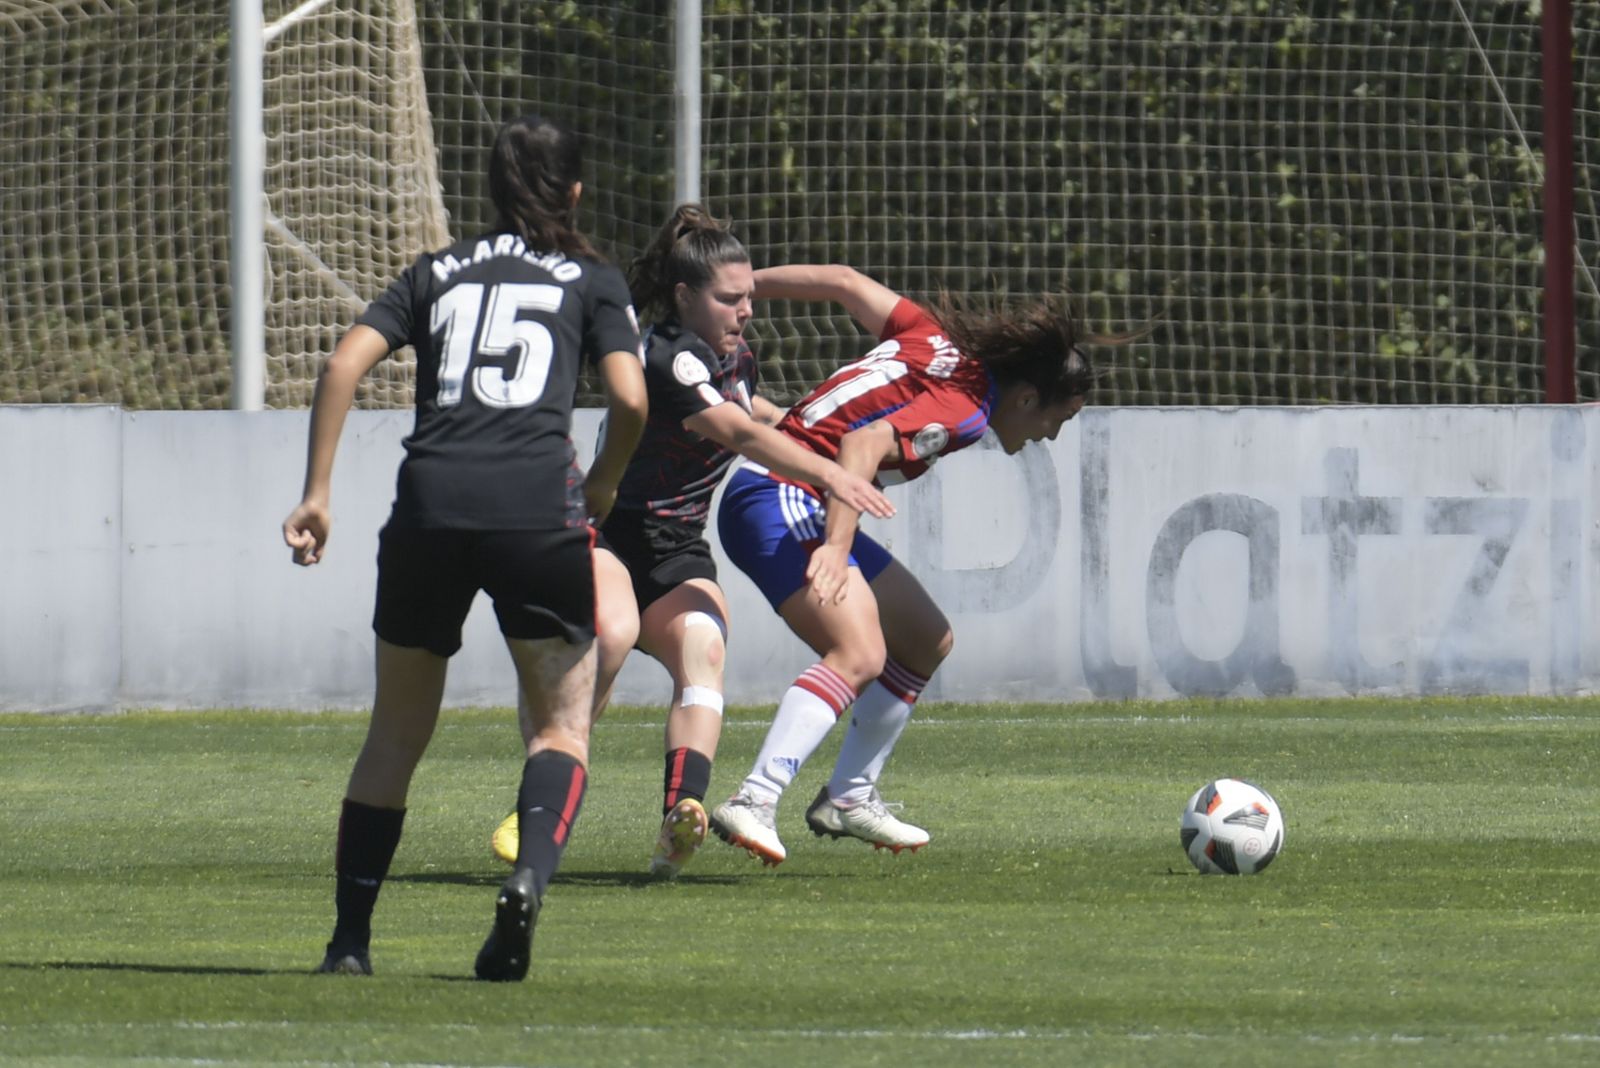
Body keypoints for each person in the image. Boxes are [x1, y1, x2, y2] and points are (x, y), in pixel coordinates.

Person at [281, 113, 649, 982]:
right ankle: (525, 880)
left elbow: (341, 367)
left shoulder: (434, 272)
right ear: (574, 192)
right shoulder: (591, 279)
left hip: (429, 510)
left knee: (394, 734)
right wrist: (602, 484)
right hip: (536, 516)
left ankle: (348, 943)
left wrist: (318, 494)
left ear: (491, 190)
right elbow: (631, 401)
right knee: (561, 727)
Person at [489, 205, 895, 879]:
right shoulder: (666, 356)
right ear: (684, 297)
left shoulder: (733, 358)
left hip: (677, 545)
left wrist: (819, 423)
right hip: (609, 535)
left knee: (704, 651)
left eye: (749, 299)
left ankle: (682, 817)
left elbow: (759, 414)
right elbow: (738, 434)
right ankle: (539, 799)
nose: (745, 313)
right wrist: (831, 471)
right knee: (610, 635)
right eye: (729, 300)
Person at [709, 265, 1100, 866]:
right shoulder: (966, 412)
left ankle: (849, 795)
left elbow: (841, 281)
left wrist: (743, 286)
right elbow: (861, 446)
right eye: (1056, 419)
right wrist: (836, 550)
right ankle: (755, 798)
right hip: (779, 495)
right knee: (859, 654)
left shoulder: (931, 334)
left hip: (799, 496)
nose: (1049, 435)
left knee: (925, 638)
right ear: (1026, 397)